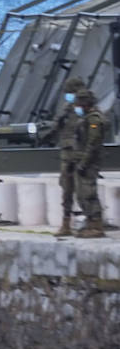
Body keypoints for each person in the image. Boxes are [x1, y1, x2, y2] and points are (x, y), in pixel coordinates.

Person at [54, 76, 88, 238]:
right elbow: (57, 125)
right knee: (66, 189)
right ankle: (66, 223)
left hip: (80, 154)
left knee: (84, 190)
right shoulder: (67, 109)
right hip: (67, 153)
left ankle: (91, 222)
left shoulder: (86, 108)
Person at [73, 88, 108, 238]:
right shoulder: (87, 118)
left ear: (85, 104)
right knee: (81, 194)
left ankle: (96, 226)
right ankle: (90, 222)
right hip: (83, 160)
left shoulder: (94, 119)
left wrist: (84, 162)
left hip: (89, 162)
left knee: (89, 193)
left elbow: (93, 143)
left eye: (80, 103)